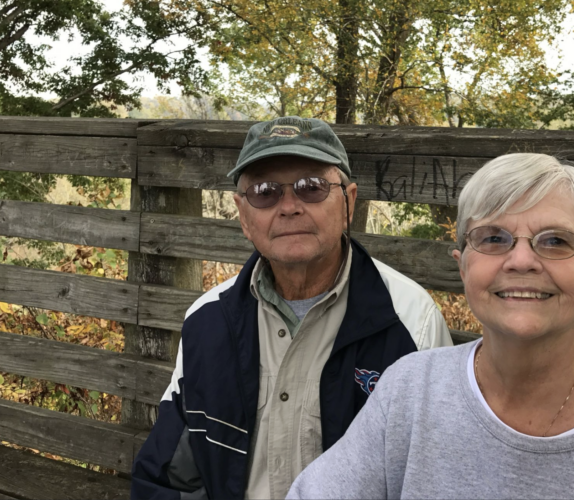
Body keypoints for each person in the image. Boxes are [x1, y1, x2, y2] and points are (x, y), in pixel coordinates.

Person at [287, 153, 574, 499]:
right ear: (463, 268)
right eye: (493, 238)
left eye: (556, 241)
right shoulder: (409, 394)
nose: (521, 260)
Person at [131, 116, 453, 499]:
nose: (288, 207)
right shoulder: (207, 321)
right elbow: (168, 476)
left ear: (348, 202)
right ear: (243, 215)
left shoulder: (411, 321)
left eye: (311, 187)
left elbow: (439, 474)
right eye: (264, 191)